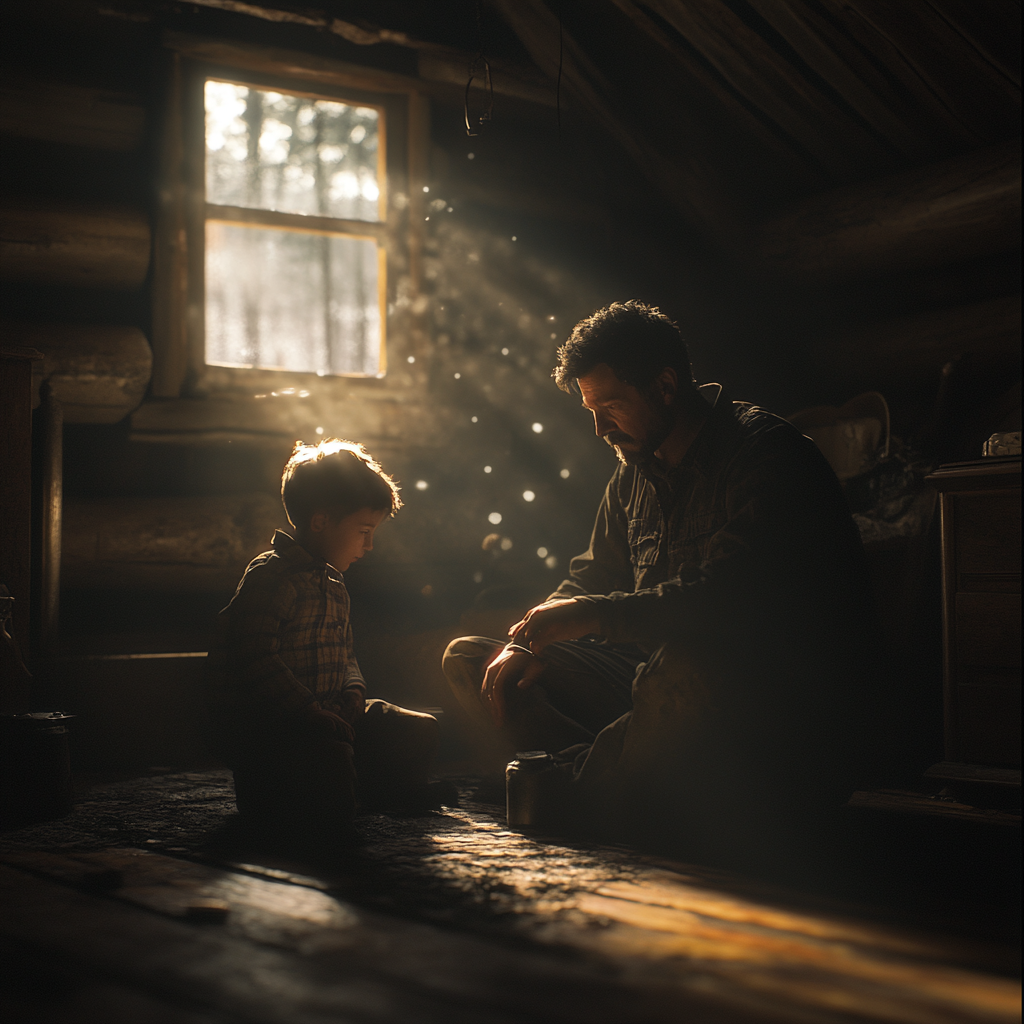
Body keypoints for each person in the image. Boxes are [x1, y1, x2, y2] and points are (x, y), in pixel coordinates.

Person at [444, 301, 881, 863]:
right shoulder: (633, 474)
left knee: (689, 663)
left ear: (667, 386)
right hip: (651, 694)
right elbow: (591, 576)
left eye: (611, 407)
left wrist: (597, 615)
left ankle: (578, 788)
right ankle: (616, 782)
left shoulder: (767, 457)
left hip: (774, 717)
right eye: (591, 410)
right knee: (472, 660)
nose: (600, 428)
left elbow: (726, 599)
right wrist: (528, 637)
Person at [207, 438, 445, 842]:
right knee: (327, 768)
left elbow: (345, 652)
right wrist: (308, 710)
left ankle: (373, 792)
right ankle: (303, 799)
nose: (369, 545)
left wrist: (353, 690)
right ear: (320, 521)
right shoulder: (273, 576)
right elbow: (255, 656)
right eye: (363, 531)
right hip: (279, 724)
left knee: (417, 729)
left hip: (332, 711)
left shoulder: (334, 582)